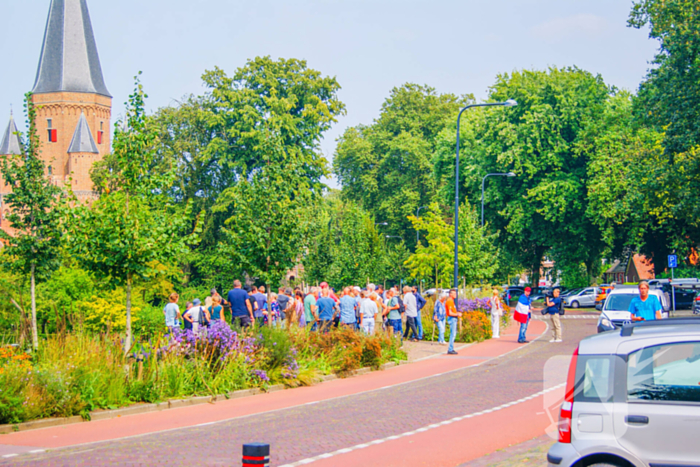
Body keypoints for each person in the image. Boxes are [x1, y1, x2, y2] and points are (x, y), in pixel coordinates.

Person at [446, 289, 463, 355]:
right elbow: (450, 312)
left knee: (453, 334)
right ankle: (450, 349)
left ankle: (451, 348)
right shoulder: (449, 301)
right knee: (453, 334)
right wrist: (457, 314)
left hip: (453, 318)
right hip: (452, 318)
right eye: (454, 293)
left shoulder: (451, 301)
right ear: (450, 294)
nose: (455, 295)